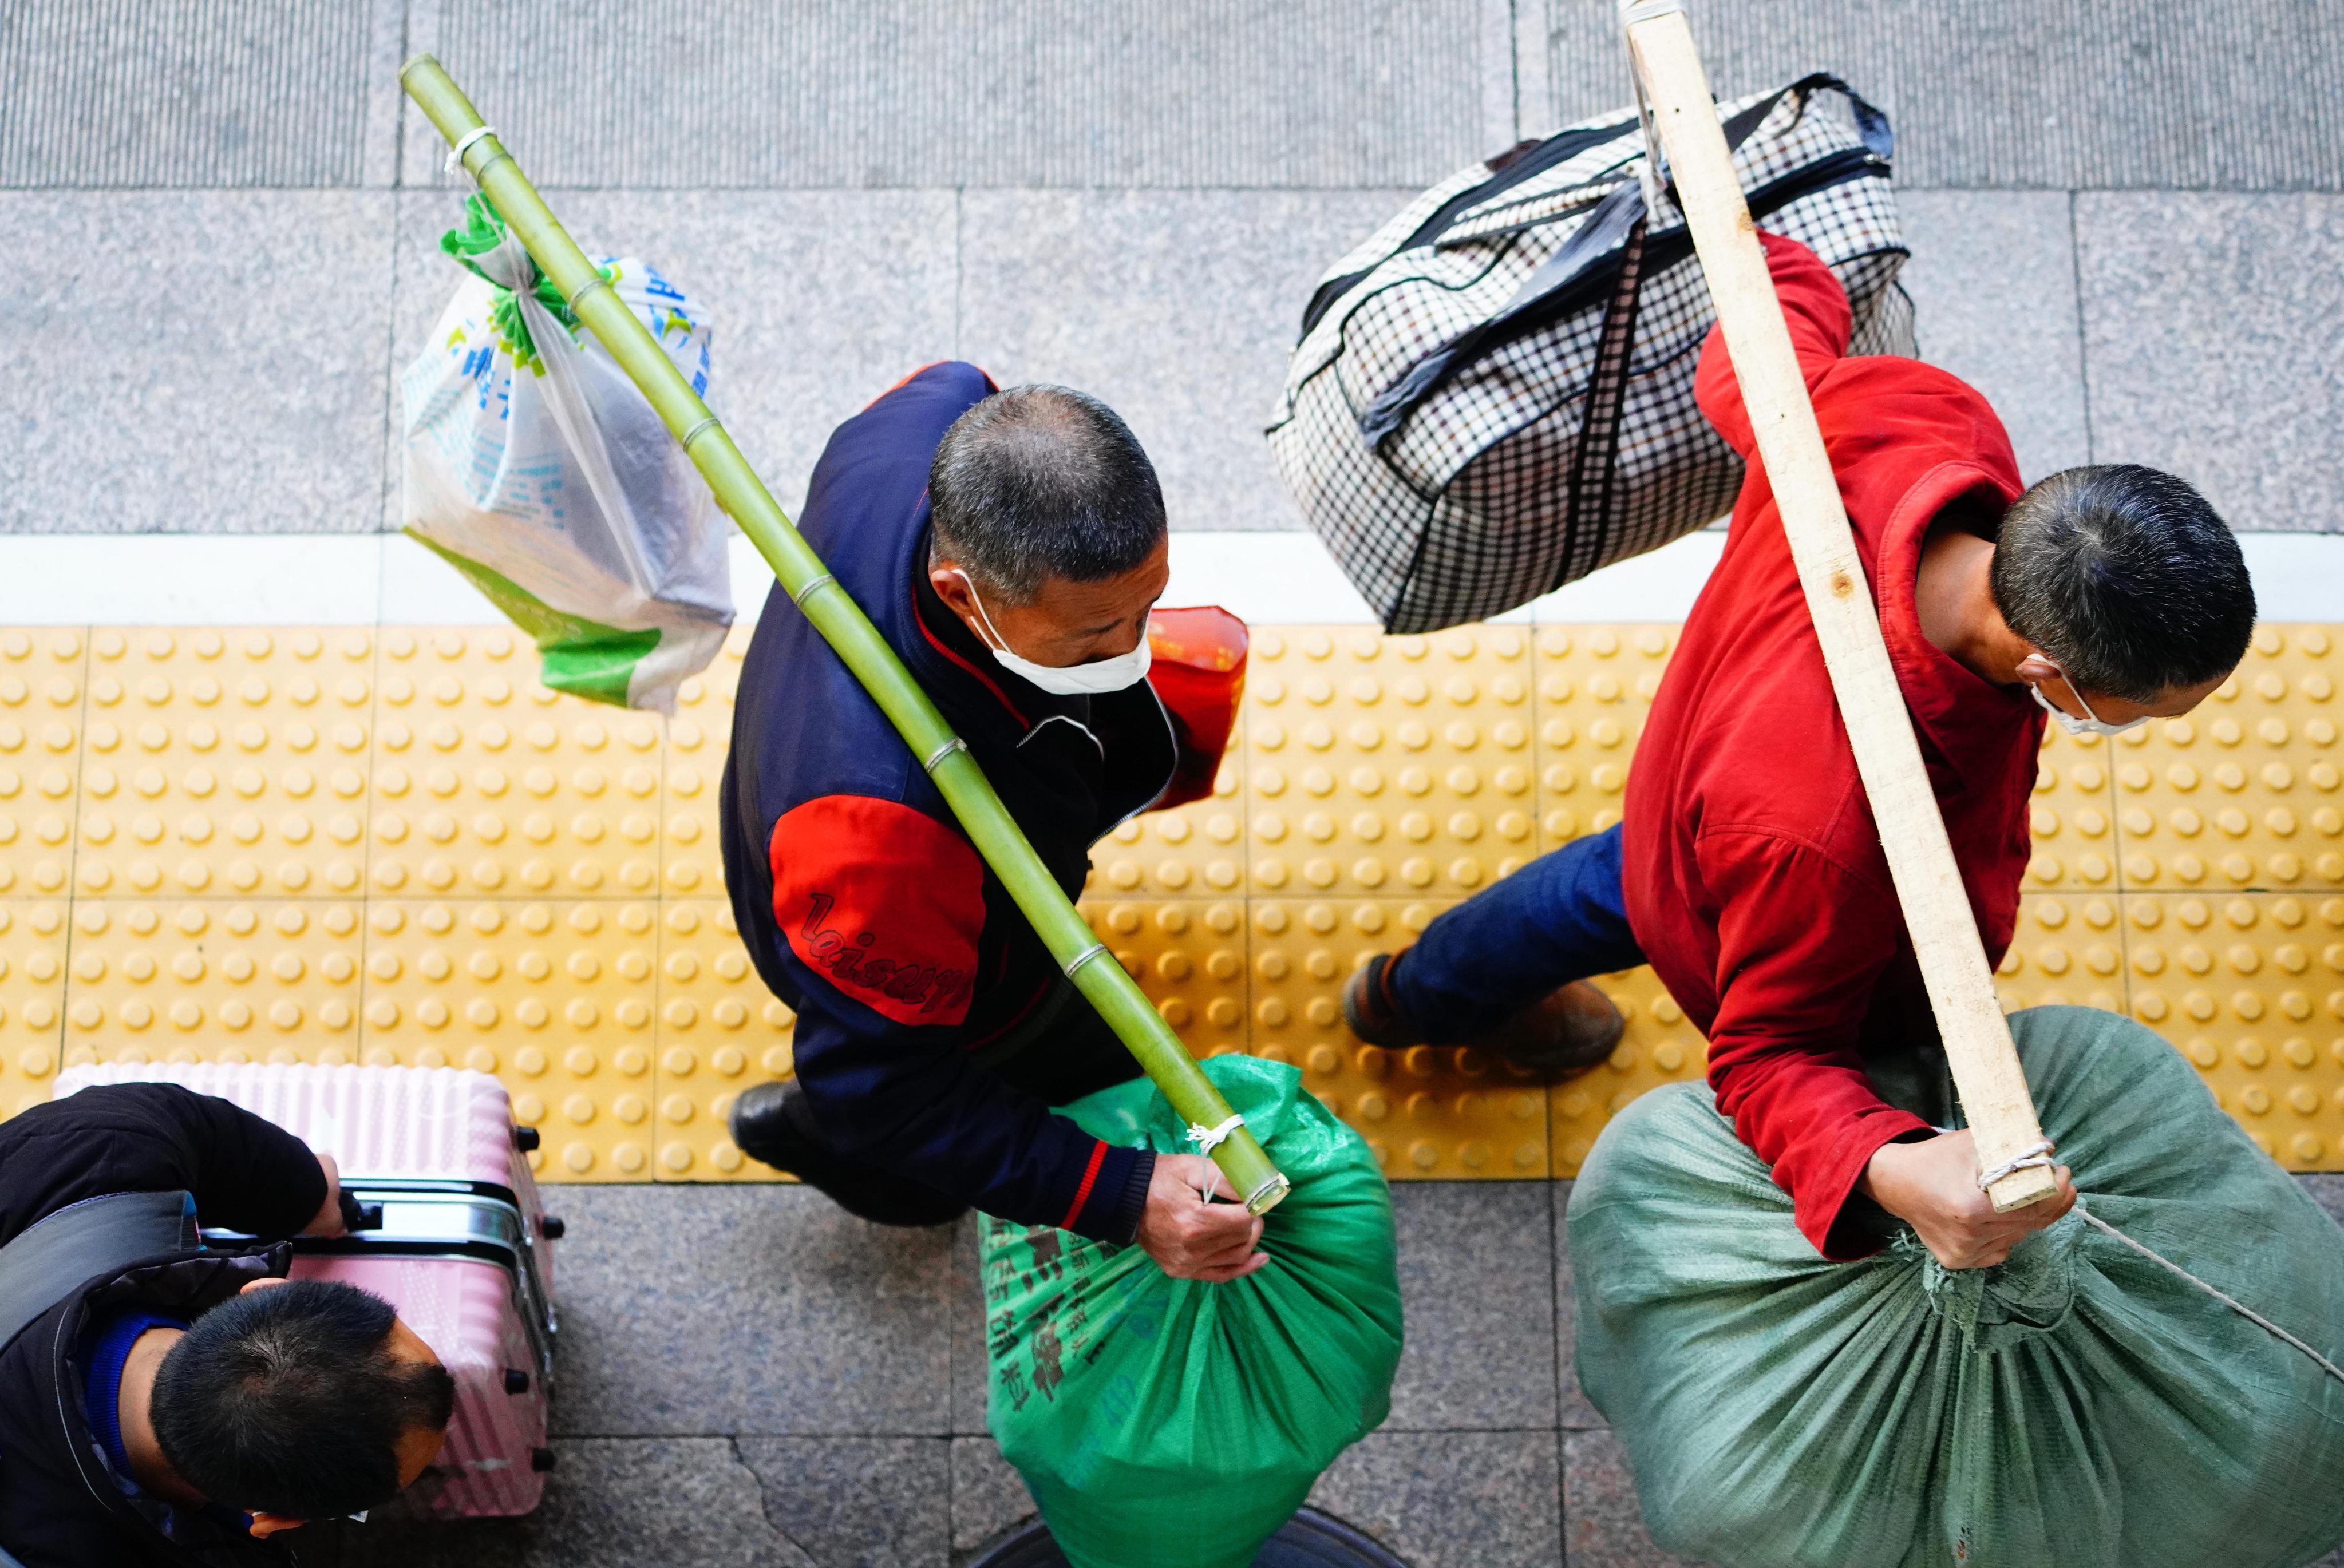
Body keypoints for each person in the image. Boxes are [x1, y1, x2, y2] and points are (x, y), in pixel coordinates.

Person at [1345, 231, 2256, 1271]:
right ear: (2046, 667)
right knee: (1645, 899)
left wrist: (1763, 247)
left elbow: (1762, 350)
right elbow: (1768, 1052)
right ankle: (1412, 999)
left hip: (1692, 771)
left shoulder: (1922, 418)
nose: (2138, 729)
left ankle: (1406, 995)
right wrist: (1887, 1163)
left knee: (1599, 889)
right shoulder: (1828, 837)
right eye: (2138, 713)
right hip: (1750, 860)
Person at [723, 365, 1294, 1280]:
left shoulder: (930, 407)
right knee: (920, 1130)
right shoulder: (885, 838)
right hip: (883, 918)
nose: (1133, 651)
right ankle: (811, 1140)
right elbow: (885, 1092)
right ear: (959, 592)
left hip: (805, 781)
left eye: (1145, 607)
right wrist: (1118, 1195)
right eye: (1090, 637)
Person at [0, 1083, 455, 1566]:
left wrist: (310, 1192)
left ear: (269, 1289)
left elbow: (195, 1127)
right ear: (272, 1520)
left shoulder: (91, 1151)